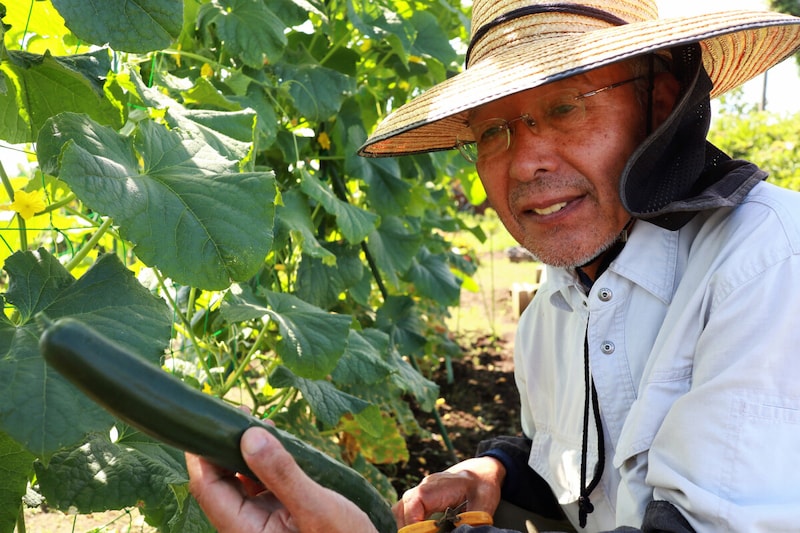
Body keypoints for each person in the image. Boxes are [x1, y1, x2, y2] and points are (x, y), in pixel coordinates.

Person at [187, 0, 800, 531]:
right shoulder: (553, 310)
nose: (526, 162)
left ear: (659, 105)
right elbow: (585, 479)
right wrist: (499, 470)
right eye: (491, 132)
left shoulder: (767, 260)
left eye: (566, 107)